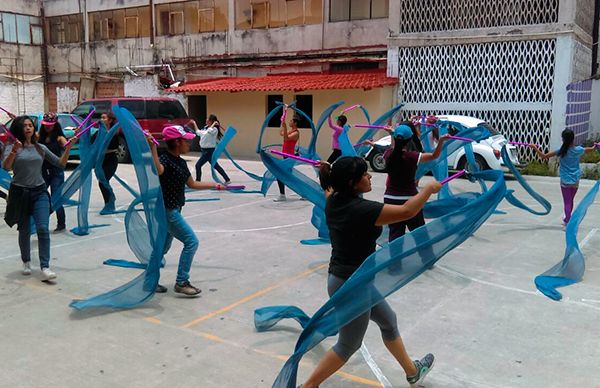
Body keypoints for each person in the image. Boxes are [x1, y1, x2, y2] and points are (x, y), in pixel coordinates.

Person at [299, 156, 441, 388]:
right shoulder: (363, 210)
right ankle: (308, 386)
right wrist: (427, 190)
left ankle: (413, 371)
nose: (370, 176)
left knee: (388, 320)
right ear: (353, 183)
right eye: (364, 174)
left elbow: (330, 187)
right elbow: (407, 211)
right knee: (348, 345)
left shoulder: (333, 200)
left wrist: (326, 170)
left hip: (348, 280)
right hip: (352, 284)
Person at [148, 125, 227, 295]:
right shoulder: (164, 160)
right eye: (186, 141)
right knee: (191, 242)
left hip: (174, 209)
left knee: (162, 248)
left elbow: (192, 184)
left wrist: (215, 185)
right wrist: (153, 148)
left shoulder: (181, 162)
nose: (189, 144)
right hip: (168, 211)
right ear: (177, 142)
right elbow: (158, 170)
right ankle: (181, 282)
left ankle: (150, 280)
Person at [2, 115, 76, 281]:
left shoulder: (40, 147)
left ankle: (45, 266)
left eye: (30, 125)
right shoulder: (12, 146)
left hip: (40, 192)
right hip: (20, 193)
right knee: (25, 230)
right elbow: (6, 167)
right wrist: (14, 151)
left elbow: (60, 164)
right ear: (19, 129)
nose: (29, 128)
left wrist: (68, 148)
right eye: (25, 125)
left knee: (43, 228)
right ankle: (26, 261)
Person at [384, 124, 448, 242]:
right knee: (420, 236)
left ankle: (395, 260)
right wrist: (442, 140)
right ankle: (425, 258)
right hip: (411, 200)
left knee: (395, 237)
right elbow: (434, 156)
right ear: (410, 140)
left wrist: (392, 133)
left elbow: (394, 147)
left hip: (390, 199)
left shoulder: (387, 155)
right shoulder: (413, 157)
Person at [531, 129, 599, 225]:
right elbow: (591, 149)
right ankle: (567, 218)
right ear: (573, 139)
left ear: (563, 139)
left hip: (565, 180)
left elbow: (543, 156)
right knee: (570, 201)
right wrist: (595, 145)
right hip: (575, 179)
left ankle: (568, 219)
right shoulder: (578, 150)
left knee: (567, 201)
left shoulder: (561, 151)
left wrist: (534, 147)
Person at [38, 113, 67, 232]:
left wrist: (72, 141)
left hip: (56, 172)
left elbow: (66, 145)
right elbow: (27, 138)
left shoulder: (59, 137)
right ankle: (39, 222)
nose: (47, 127)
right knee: (40, 196)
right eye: (45, 125)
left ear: (55, 125)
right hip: (43, 171)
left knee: (56, 197)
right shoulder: (39, 136)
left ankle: (61, 223)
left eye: (50, 125)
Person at [190, 114, 231, 184]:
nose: (206, 120)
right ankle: (227, 179)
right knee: (216, 166)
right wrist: (194, 123)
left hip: (209, 151)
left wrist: (214, 124)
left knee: (198, 165)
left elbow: (209, 131)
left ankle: (198, 181)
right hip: (204, 151)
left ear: (211, 121)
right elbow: (198, 132)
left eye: (208, 119)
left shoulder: (214, 130)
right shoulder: (205, 128)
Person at [93, 112, 120, 215]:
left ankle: (110, 203)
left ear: (110, 120)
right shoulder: (98, 133)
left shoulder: (113, 133)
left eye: (104, 118)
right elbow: (92, 142)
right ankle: (109, 203)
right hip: (100, 161)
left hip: (111, 161)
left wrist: (102, 150)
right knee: (102, 181)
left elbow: (114, 147)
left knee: (103, 181)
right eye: (101, 117)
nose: (101, 119)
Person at [274, 115, 300, 202]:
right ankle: (304, 192)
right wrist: (282, 123)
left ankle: (282, 195)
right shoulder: (290, 131)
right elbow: (281, 133)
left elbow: (286, 138)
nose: (289, 122)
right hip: (285, 156)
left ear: (295, 123)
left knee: (280, 174)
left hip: (290, 157)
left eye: (291, 121)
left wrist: (285, 128)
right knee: (289, 177)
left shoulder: (296, 133)